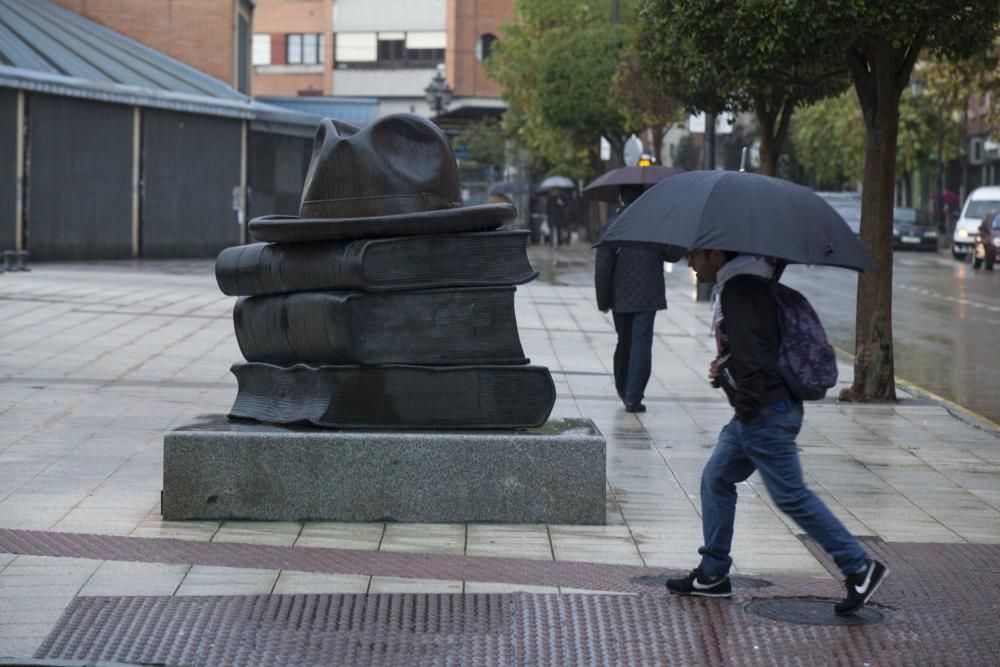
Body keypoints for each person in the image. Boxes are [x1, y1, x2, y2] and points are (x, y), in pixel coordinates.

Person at [665, 248, 888, 616]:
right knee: (716, 477)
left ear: (716, 254)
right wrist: (727, 370)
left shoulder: (740, 289)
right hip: (763, 410)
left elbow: (754, 359)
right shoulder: (752, 283)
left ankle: (859, 567)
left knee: (792, 497)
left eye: (695, 256)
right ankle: (713, 573)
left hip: (764, 413)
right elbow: (758, 350)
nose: (690, 263)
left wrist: (747, 401)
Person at [594, 185, 669, 413]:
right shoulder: (655, 226)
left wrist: (603, 300)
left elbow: (603, 269)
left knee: (624, 341)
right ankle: (633, 396)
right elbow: (674, 253)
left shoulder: (611, 227)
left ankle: (623, 387)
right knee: (641, 344)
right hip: (649, 295)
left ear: (620, 197)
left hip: (621, 296)